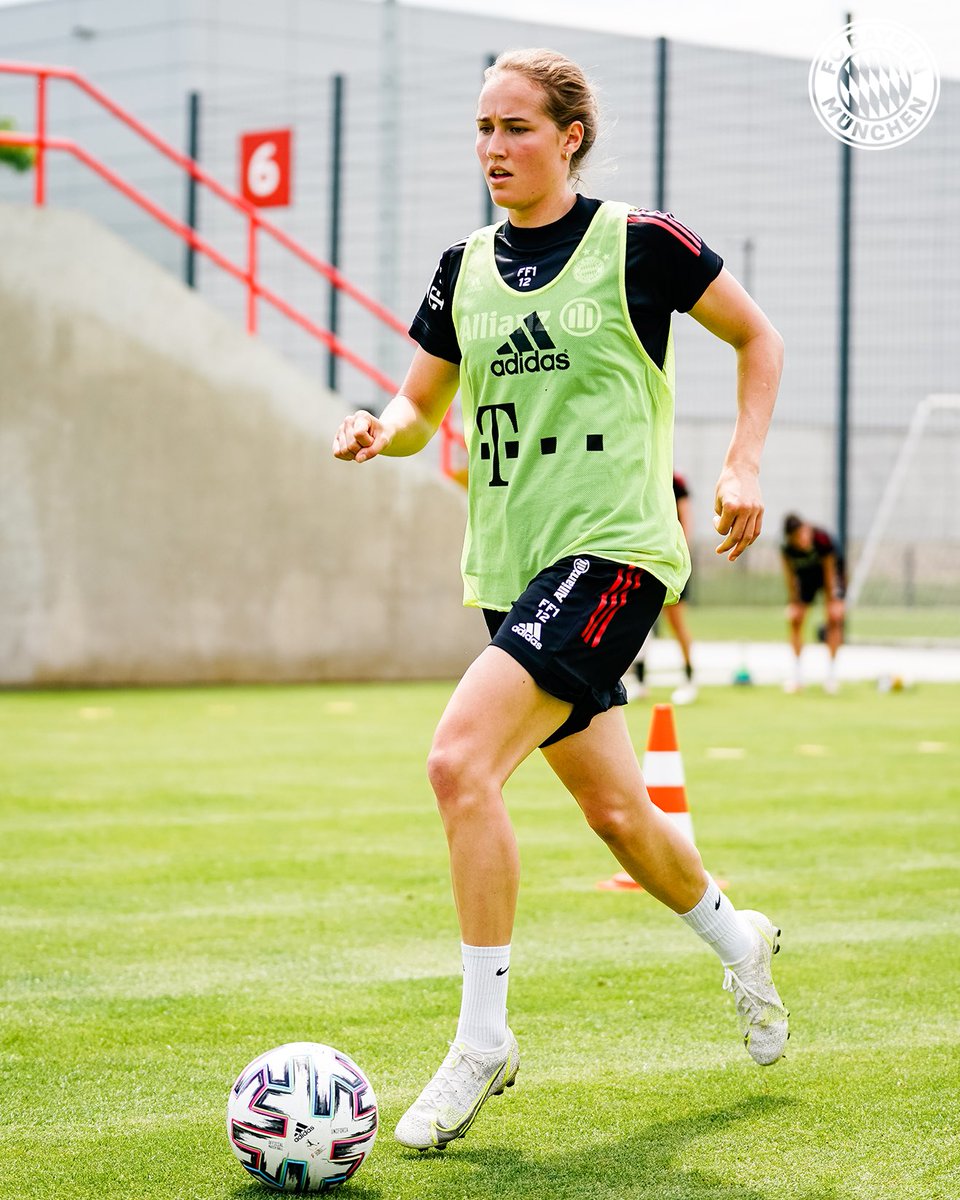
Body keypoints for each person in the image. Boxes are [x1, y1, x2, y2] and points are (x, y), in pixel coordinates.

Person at [333, 48, 787, 1152]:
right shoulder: (462, 269)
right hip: (512, 571)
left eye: (517, 128)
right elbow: (421, 407)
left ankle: (482, 1039)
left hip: (614, 555)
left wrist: (742, 462)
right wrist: (381, 430)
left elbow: (757, 337)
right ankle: (743, 942)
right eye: (483, 128)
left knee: (459, 763)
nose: (493, 148)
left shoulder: (643, 243)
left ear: (569, 136)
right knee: (619, 814)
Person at [630, 472, 698, 704]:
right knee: (640, 625)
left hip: (671, 561)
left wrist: (679, 557)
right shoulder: (644, 472)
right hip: (646, 560)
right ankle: (640, 682)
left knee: (676, 623)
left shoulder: (676, 481)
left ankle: (689, 679)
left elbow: (686, 520)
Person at [781, 513, 846, 694]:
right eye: (797, 536)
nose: (802, 539)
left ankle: (831, 678)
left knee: (834, 618)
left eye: (803, 533)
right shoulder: (786, 547)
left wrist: (832, 601)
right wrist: (793, 601)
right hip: (806, 578)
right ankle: (797, 677)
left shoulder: (821, 539)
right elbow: (789, 575)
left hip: (831, 574)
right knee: (795, 619)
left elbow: (829, 572)